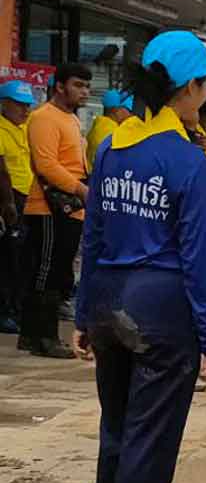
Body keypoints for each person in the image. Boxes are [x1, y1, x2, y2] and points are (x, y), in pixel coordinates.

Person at [74, 31, 206, 483]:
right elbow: (196, 256)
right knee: (151, 434)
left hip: (109, 303)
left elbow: (92, 238)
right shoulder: (188, 160)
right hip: (161, 309)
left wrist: (83, 316)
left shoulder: (112, 148)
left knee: (116, 425)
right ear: (191, 88)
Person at [20, 63, 91, 358]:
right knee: (46, 272)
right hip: (47, 208)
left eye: (87, 86)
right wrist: (82, 189)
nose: (84, 91)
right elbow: (46, 165)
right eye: (77, 85)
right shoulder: (43, 118)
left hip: (71, 208)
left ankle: (32, 335)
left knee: (59, 272)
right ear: (59, 86)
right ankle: (43, 336)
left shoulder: (71, 119)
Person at [0, 80, 37, 334]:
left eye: (28, 106)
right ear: (4, 104)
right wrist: (8, 203)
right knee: (8, 259)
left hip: (27, 197)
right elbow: (1, 171)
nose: (25, 111)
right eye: (19, 105)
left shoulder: (23, 129)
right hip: (10, 199)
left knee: (23, 258)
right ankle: (5, 311)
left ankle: (17, 307)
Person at [85, 89, 135, 171]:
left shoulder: (99, 125)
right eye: (129, 110)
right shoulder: (111, 133)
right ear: (115, 110)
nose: (131, 115)